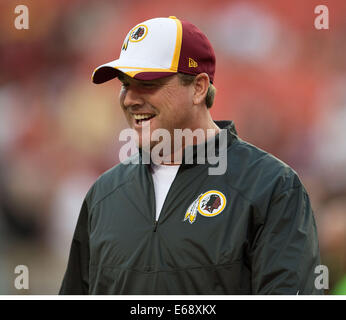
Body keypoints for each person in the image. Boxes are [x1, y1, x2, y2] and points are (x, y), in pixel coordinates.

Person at [59, 16, 323, 294]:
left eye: (147, 83)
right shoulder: (104, 195)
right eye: (125, 83)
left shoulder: (270, 186)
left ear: (198, 88)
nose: (129, 99)